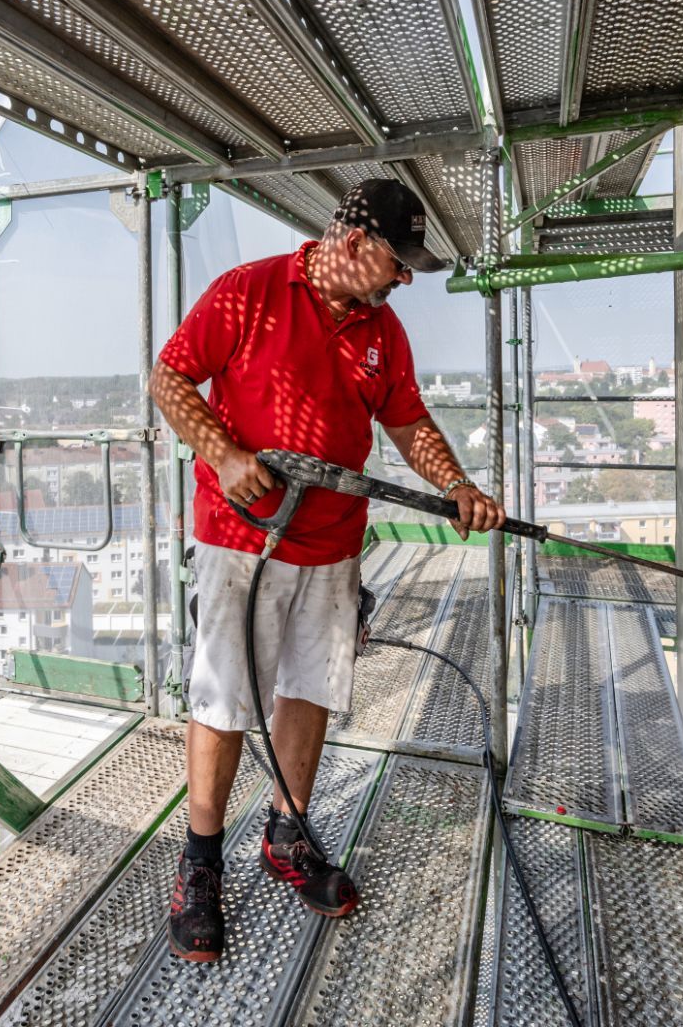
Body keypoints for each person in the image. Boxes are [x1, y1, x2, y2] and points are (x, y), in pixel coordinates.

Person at [152, 178, 504, 963]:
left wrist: (456, 483)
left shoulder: (384, 330)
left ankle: (287, 832)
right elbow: (169, 377)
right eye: (396, 261)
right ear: (353, 243)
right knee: (225, 697)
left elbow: (406, 418)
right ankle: (201, 863)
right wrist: (225, 454)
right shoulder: (247, 293)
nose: (404, 278)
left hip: (334, 542)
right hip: (242, 539)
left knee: (310, 687)